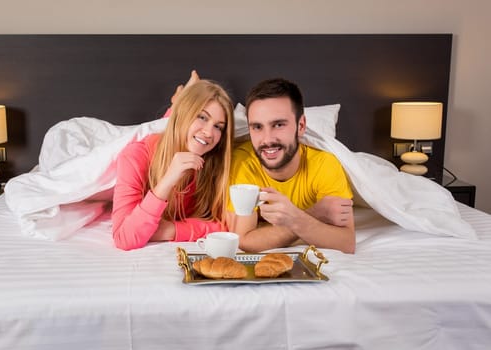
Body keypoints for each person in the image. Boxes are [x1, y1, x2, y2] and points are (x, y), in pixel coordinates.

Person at [227, 78, 355, 254]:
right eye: (257, 127)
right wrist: (314, 213)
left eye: (278, 125)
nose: (267, 139)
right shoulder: (243, 163)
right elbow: (245, 242)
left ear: (301, 126)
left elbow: (346, 243)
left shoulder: (324, 165)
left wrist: (293, 218)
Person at [112, 71, 235, 250]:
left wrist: (171, 230)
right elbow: (124, 238)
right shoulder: (134, 156)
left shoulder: (215, 161)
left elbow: (227, 226)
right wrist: (167, 181)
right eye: (202, 117)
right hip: (156, 145)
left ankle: (182, 100)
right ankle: (179, 102)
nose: (209, 132)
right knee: (174, 129)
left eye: (218, 126)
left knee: (183, 133)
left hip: (180, 131)